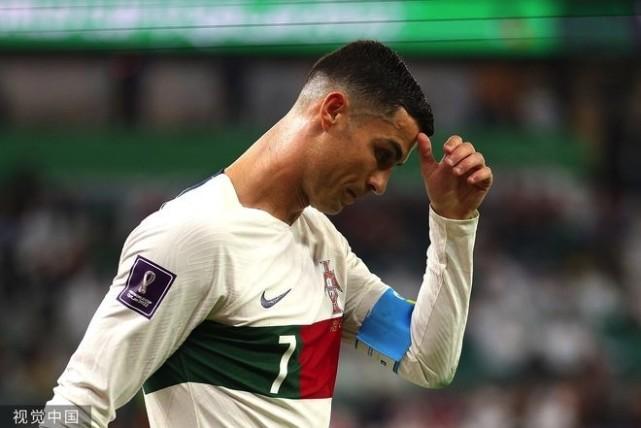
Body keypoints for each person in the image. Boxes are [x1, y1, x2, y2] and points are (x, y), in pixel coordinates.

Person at [44, 40, 492, 427]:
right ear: (333, 111)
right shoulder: (192, 236)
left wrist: (452, 223)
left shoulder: (322, 244)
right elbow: (77, 404)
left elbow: (426, 359)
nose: (380, 183)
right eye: (382, 155)